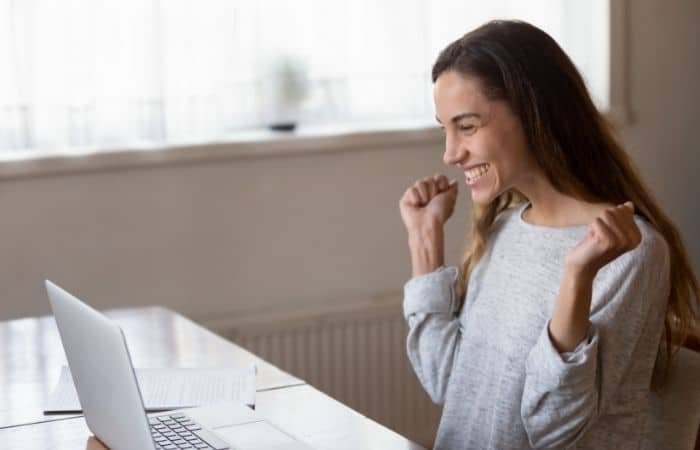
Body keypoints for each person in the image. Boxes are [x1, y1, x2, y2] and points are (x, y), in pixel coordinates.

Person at [399, 20, 698, 450]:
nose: (449, 153)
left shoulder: (629, 251)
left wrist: (576, 278)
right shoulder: (502, 228)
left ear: (534, 113)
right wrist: (424, 241)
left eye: (466, 127)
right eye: (444, 129)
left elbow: (553, 428)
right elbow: (448, 382)